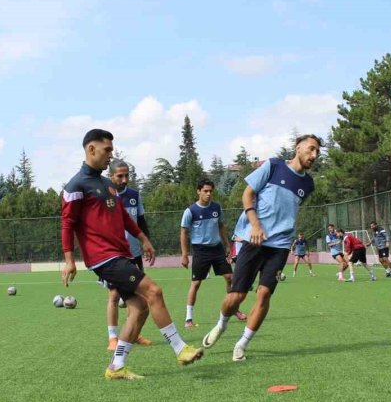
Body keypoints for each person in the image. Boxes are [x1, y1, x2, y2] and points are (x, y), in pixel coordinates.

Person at [62, 129, 203, 380]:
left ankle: (116, 367)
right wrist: (69, 260)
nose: (110, 155)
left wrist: (143, 238)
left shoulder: (107, 184)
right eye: (107, 150)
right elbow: (67, 224)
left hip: (121, 254)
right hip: (104, 258)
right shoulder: (76, 186)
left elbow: (123, 217)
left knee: (139, 308)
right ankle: (180, 348)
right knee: (154, 291)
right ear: (91, 149)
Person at [202, 133, 319, 362]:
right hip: (255, 239)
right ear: (298, 148)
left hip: (280, 245)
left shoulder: (308, 184)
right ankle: (221, 324)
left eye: (317, 152)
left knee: (264, 294)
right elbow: (248, 195)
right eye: (311, 149)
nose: (314, 155)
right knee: (237, 296)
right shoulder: (274, 166)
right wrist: (255, 225)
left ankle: (242, 344)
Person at [180, 179, 246, 328]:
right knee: (196, 283)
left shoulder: (216, 207)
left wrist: (227, 245)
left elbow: (221, 227)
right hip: (200, 250)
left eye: (210, 191)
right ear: (198, 191)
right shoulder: (190, 211)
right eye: (205, 191)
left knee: (230, 278)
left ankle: (233, 309)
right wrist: (184, 255)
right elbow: (183, 233)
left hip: (217, 249)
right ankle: (188, 318)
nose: (208, 194)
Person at [105, 160, 152, 351]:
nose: (124, 180)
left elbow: (141, 221)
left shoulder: (134, 195)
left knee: (136, 296)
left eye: (127, 176)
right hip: (114, 256)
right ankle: (113, 338)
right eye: (120, 176)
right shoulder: (103, 196)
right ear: (111, 176)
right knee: (114, 295)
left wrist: (147, 242)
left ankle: (133, 334)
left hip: (134, 253)